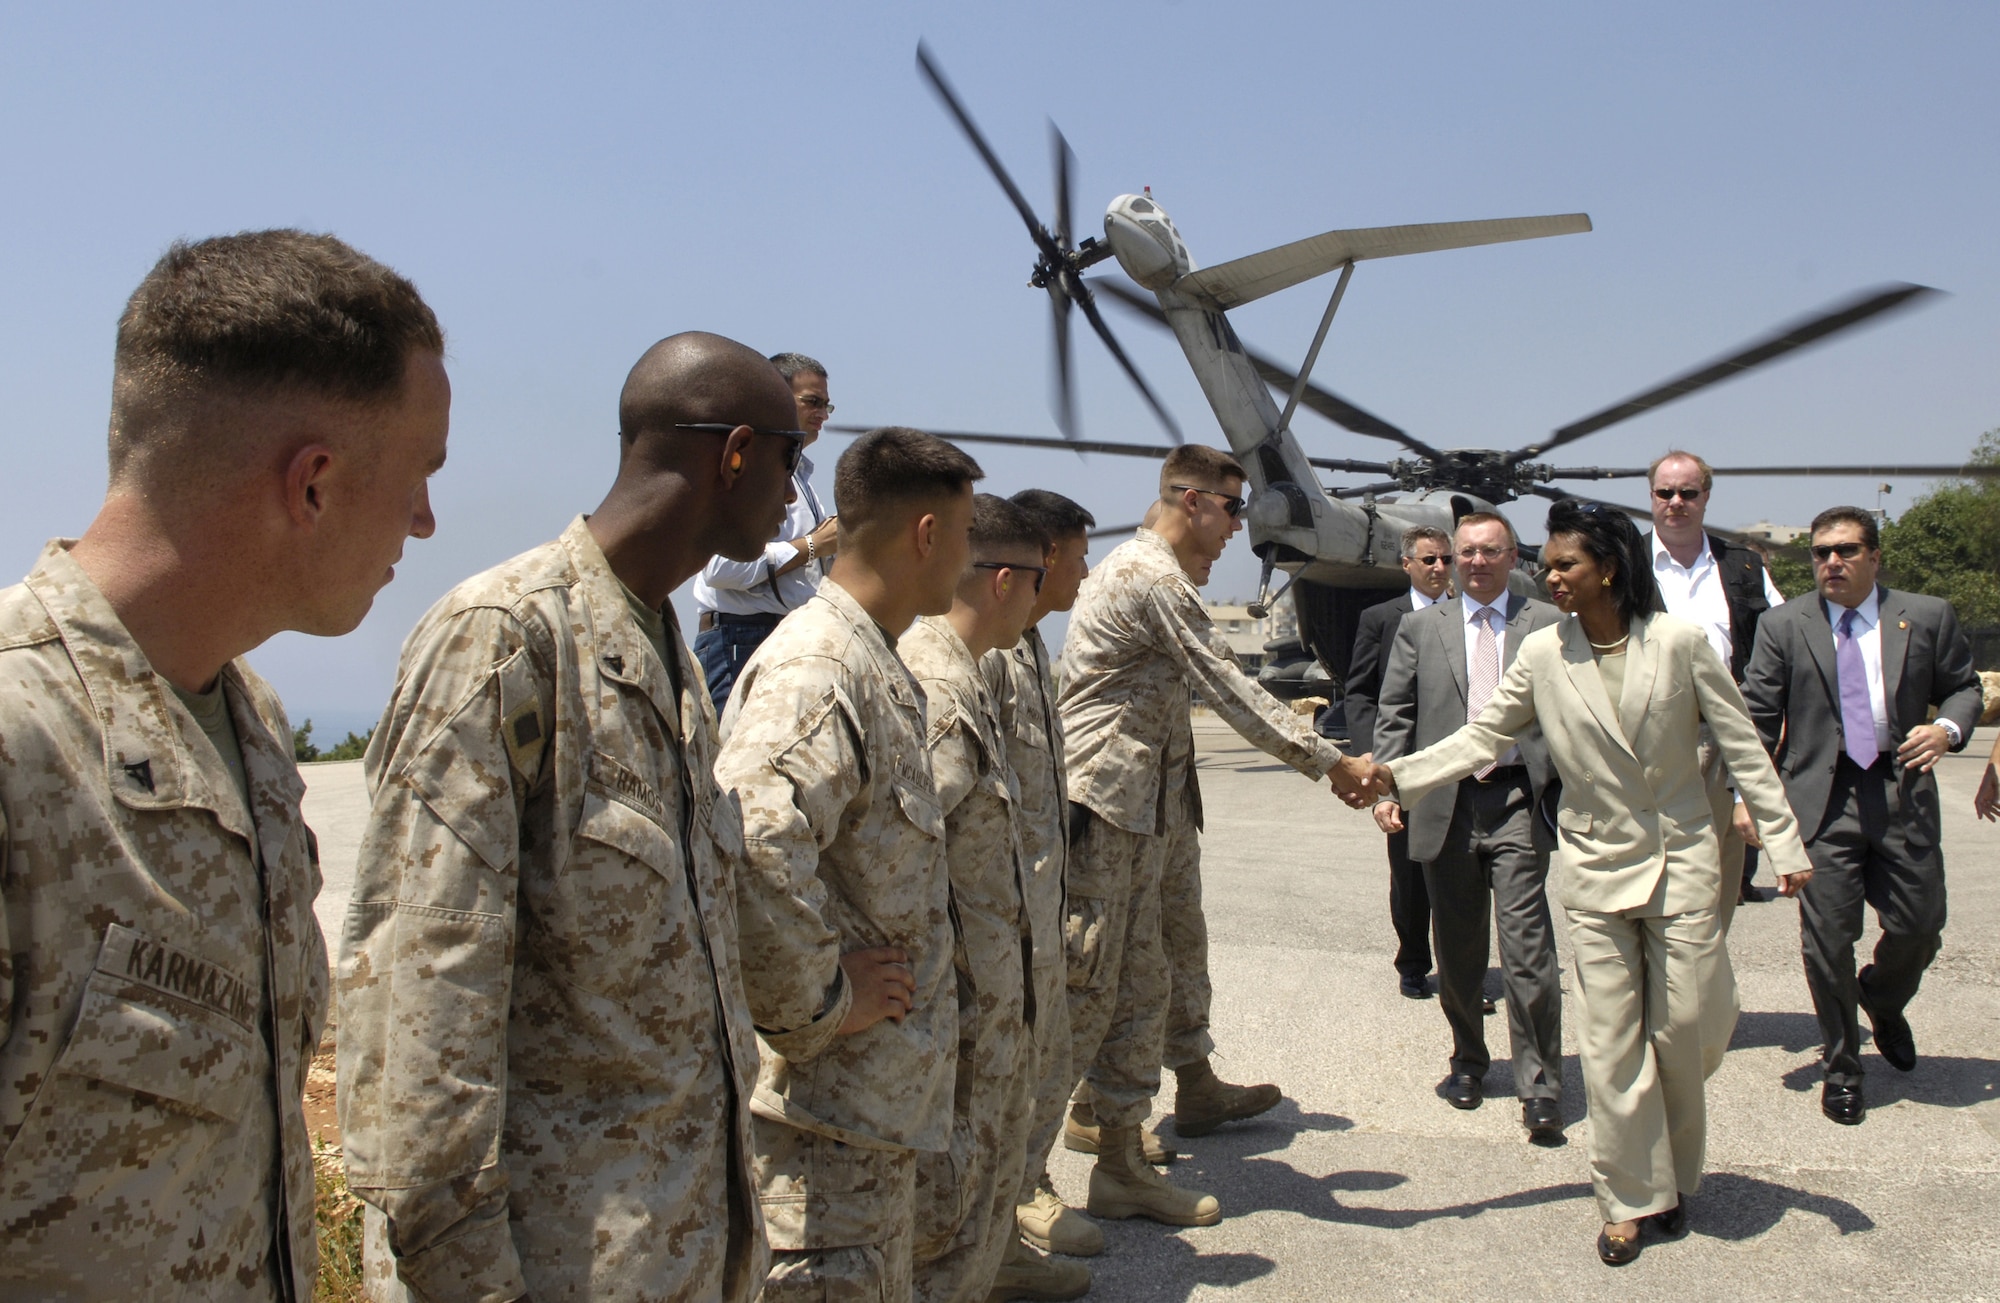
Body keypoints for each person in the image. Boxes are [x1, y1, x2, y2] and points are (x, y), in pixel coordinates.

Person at [0, 230, 447, 1300]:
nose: (427, 522)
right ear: (313, 483)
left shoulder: (250, 728)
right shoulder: (22, 746)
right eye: (420, 477)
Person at [337, 333, 792, 1300]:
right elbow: (421, 995)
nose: (798, 494)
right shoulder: (508, 638)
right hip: (550, 1265)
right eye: (792, 457)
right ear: (736, 453)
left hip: (679, 1252)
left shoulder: (667, 649)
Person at [1369, 499, 1811, 1267]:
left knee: (1686, 1033)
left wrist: (1782, 838)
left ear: (1607, 568)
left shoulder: (1678, 643)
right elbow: (1482, 734)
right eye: (1549, 564)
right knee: (1610, 1044)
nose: (1551, 576)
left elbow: (1742, 744)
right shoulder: (1543, 652)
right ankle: (1632, 1196)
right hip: (1599, 862)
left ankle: (1671, 1165)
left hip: (1679, 861)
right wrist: (1391, 776)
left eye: (1565, 564)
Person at [1055, 445, 1377, 1228]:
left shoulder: (1165, 575)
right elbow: (1226, 683)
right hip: (1108, 802)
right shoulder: (1148, 576)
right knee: (1105, 975)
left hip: (1155, 801)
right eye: (1234, 510)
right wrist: (1332, 761)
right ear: (1193, 500)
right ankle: (1079, 1135)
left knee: (1168, 953)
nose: (1241, 527)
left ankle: (1186, 1089)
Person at [715, 427, 982, 1302]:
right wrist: (821, 1003)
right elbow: (754, 842)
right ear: (928, 534)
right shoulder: (820, 666)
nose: (973, 561)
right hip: (823, 1135)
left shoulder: (876, 656)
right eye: (968, 534)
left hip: (870, 1121)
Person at [1741, 506, 1981, 1127]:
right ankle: (1843, 1068)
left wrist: (1948, 728)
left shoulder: (1926, 616)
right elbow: (1758, 719)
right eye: (1821, 552)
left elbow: (1964, 686)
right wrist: (1746, 796)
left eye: (1846, 550)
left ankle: (1882, 995)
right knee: (1826, 943)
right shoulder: (1783, 624)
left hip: (1901, 792)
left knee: (1920, 926)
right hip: (1822, 799)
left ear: (1875, 557)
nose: (1831, 562)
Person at [903, 495, 1085, 1303]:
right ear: (1011, 575)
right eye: (1056, 568)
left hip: (1018, 922)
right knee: (955, 1173)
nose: (1065, 583)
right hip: (967, 966)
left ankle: (999, 1249)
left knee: (1002, 1130)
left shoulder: (1015, 648)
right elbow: (913, 852)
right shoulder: (957, 673)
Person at [1371, 513, 1566, 1140]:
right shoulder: (1418, 629)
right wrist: (1388, 788)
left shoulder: (1549, 626)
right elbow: (1395, 711)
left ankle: (1539, 1080)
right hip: (1445, 804)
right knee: (1456, 947)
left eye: (1490, 552)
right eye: (1465, 554)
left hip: (1516, 801)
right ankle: (1468, 1060)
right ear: (1451, 561)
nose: (1476, 563)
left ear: (1513, 557)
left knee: (1527, 949)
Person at [981, 491, 1105, 1275]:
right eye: (1079, 555)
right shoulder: (991, 652)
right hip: (1002, 915)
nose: (1086, 572)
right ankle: (1000, 1223)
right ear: (1045, 558)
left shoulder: (1029, 646)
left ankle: (1015, 1199)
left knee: (1046, 1062)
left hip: (1039, 899)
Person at [1647, 450, 1789, 914]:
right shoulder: (1622, 568)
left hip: (1727, 735)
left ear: (1706, 496)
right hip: (1648, 738)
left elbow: (1782, 645)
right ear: (1651, 497)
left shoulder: (1745, 566)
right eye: (1665, 492)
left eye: (1688, 493)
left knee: (1722, 874)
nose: (1676, 502)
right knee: (1653, 871)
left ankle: (1704, 971)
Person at [690, 351, 840, 714]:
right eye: (812, 402)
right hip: (742, 639)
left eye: (827, 406)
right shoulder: (747, 469)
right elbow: (721, 570)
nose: (822, 414)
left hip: (784, 639)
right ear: (775, 398)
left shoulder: (803, 483)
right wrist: (811, 546)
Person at [1344, 525, 1454, 1000]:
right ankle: (1412, 961)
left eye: (1444, 559)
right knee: (1408, 873)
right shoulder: (1380, 618)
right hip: (1401, 763)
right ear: (1406, 565)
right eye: (1428, 560)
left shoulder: (1468, 616)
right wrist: (1373, 755)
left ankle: (1460, 971)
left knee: (1460, 876)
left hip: (1455, 761)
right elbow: (1360, 690)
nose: (1439, 568)